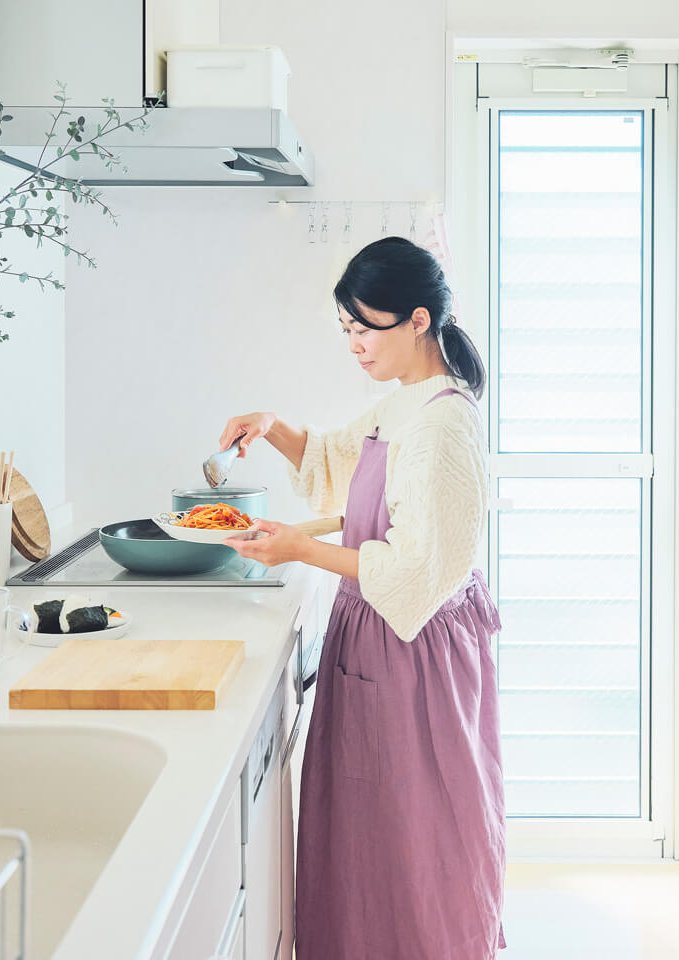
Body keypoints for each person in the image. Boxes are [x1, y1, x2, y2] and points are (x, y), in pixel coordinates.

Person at [218, 236, 506, 959]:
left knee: (414, 839)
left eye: (365, 328)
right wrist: (272, 426)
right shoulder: (404, 403)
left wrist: (298, 549)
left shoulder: (444, 424)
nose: (354, 344)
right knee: (372, 836)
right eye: (345, 328)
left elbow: (417, 572)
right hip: (380, 640)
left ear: (417, 320)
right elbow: (340, 463)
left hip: (414, 656)